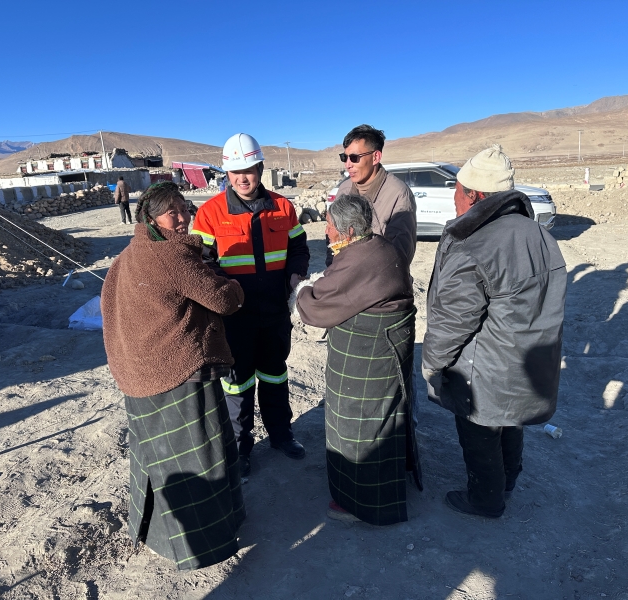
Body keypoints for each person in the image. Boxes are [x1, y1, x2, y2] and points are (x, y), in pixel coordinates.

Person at [101, 182, 246, 570]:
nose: (182, 219)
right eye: (172, 212)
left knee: (158, 461)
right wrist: (235, 286)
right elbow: (222, 300)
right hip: (178, 373)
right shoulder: (171, 254)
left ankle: (156, 536)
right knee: (201, 457)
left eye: (185, 209)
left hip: (139, 376)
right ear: (150, 219)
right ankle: (205, 543)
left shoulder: (125, 257)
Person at [421, 144, 567, 518]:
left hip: (485, 367)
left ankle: (485, 500)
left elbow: (454, 319)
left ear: (473, 194)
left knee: (480, 432)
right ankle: (508, 481)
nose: (454, 198)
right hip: (528, 362)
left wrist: (432, 362)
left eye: (457, 190)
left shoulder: (475, 243)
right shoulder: (538, 234)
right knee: (510, 421)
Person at [297, 194, 422, 525]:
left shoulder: (358, 260)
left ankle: (363, 503)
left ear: (348, 231)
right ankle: (383, 485)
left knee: (360, 422)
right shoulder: (378, 247)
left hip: (368, 355)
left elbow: (317, 305)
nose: (326, 231)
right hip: (386, 351)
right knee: (382, 418)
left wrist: (302, 291)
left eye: (329, 225)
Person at [192, 133, 310, 477]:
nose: (243, 178)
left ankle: (281, 435)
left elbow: (298, 247)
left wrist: (295, 274)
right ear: (227, 174)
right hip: (235, 318)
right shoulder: (210, 213)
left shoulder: (283, 207)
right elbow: (202, 262)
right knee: (237, 383)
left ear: (260, 168)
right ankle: (241, 448)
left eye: (249, 170)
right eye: (235, 172)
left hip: (275, 312)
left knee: (275, 374)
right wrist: (225, 290)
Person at [327, 124, 416, 266]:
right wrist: (332, 269)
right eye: (344, 157)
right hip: (343, 274)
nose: (347, 165)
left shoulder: (398, 193)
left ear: (375, 157)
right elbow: (333, 234)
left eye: (354, 157)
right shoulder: (344, 189)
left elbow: (400, 254)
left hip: (378, 277)